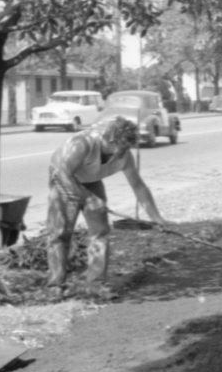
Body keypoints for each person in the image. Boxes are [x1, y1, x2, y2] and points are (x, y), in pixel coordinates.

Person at [45, 116, 166, 299]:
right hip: (63, 177)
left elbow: (138, 186)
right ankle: (56, 284)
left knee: (100, 232)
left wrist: (156, 218)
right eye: (123, 146)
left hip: (91, 180)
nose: (126, 151)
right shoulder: (83, 144)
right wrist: (87, 198)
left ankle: (95, 284)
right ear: (110, 140)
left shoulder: (124, 156)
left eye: (129, 147)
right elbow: (62, 173)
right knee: (60, 234)